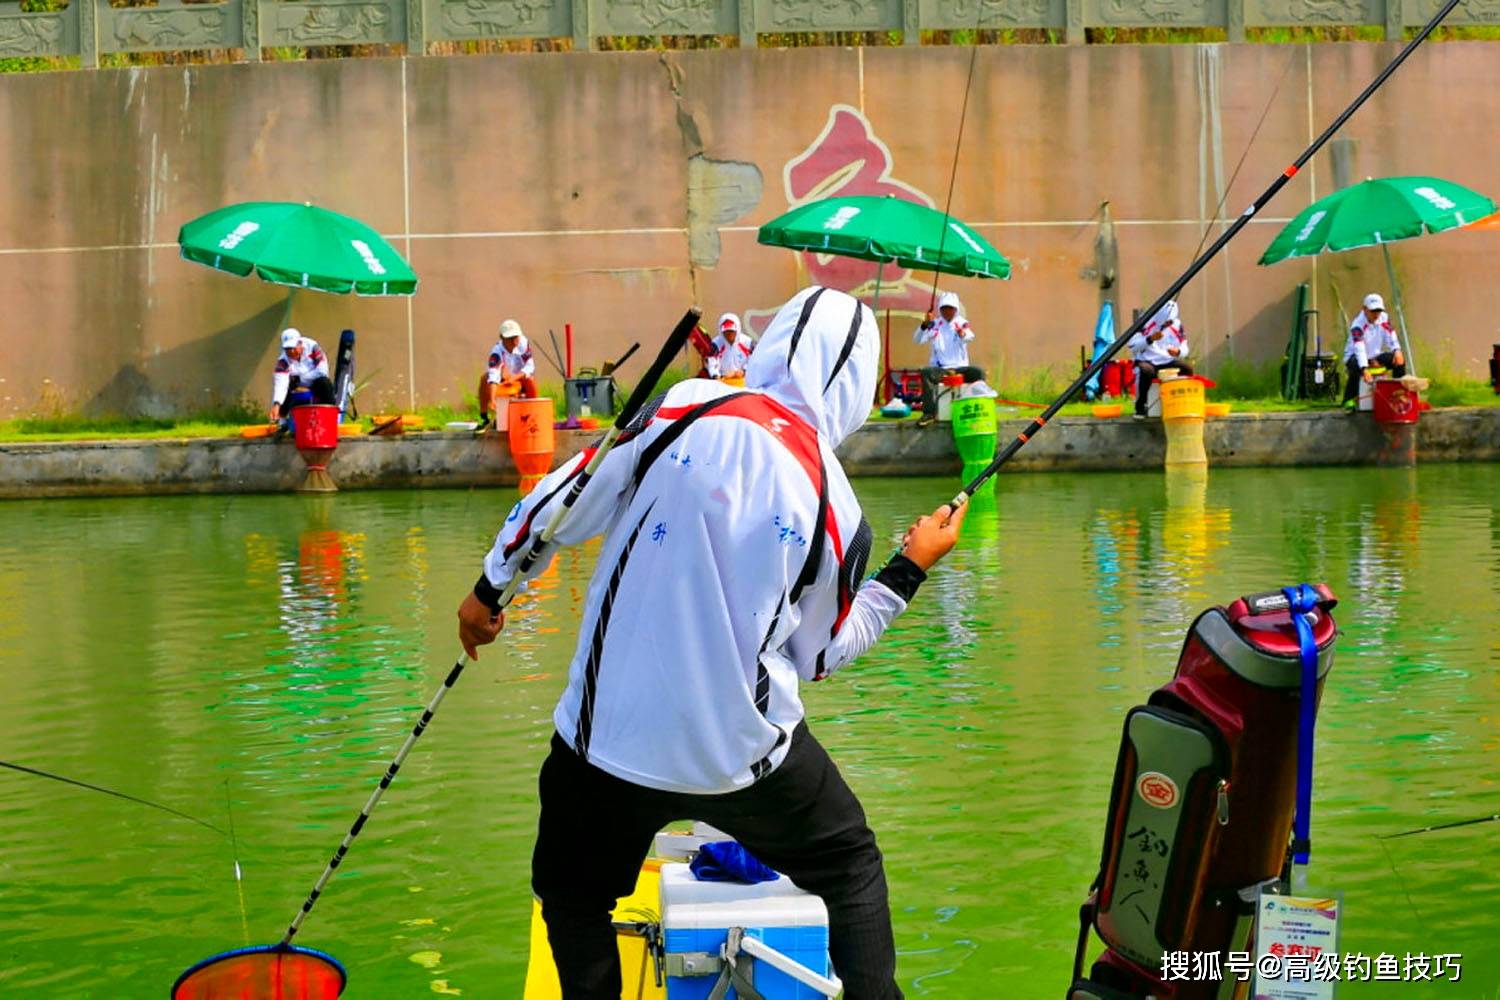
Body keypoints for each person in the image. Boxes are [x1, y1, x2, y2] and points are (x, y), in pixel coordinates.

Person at [456, 286, 967, 1000]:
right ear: (854, 388)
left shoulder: (682, 404)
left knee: (575, 900)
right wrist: (909, 570)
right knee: (849, 864)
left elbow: (564, 500)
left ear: (771, 344)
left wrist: (491, 589)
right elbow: (820, 657)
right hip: (741, 758)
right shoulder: (839, 507)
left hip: (603, 744)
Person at [913, 291, 984, 422]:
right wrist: (924, 325)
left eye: (950, 308)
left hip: (960, 368)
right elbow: (917, 340)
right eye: (944, 308)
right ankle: (929, 413)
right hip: (941, 369)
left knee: (978, 372)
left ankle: (978, 410)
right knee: (926, 373)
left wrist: (962, 333)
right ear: (940, 309)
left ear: (955, 309)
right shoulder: (934, 325)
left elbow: (969, 337)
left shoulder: (961, 323)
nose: (947, 311)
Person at [1126, 300, 1192, 419]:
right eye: (1166, 322)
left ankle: (1180, 403)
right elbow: (1132, 345)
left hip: (1166, 360)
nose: (1168, 324)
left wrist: (1178, 352)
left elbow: (1184, 346)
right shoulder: (1146, 322)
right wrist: (1150, 339)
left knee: (1186, 369)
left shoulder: (1176, 325)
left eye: (1170, 322)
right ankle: (1140, 407)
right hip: (1147, 360)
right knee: (1146, 371)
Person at [1341, 292, 1406, 409]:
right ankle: (1349, 399)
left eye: (1379, 310)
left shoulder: (1384, 317)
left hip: (1375, 355)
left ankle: (1398, 395)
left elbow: (1390, 335)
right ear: (1365, 309)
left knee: (1399, 361)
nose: (1376, 314)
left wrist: (1397, 350)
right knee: (1356, 366)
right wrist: (1365, 368)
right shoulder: (1357, 325)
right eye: (1373, 311)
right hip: (1354, 356)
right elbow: (1359, 348)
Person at [478, 319, 539, 428]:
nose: (514, 341)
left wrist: (515, 378)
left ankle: (533, 413)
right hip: (503, 379)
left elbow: (530, 366)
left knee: (531, 380)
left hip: (520, 377)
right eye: (510, 338)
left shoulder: (523, 343)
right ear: (502, 338)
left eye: (516, 337)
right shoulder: (497, 352)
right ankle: (485, 416)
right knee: (484, 378)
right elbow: (493, 376)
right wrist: (492, 400)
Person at [269, 328, 334, 423]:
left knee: (325, 382)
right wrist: (276, 404)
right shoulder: (283, 361)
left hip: (315, 382)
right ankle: (282, 421)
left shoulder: (313, 347)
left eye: (293, 347)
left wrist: (301, 379)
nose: (291, 351)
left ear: (300, 343)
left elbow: (322, 371)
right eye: (287, 349)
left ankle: (331, 417)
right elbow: (280, 384)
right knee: (285, 384)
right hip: (295, 385)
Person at [707, 312, 754, 380]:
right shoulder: (715, 344)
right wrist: (718, 376)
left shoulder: (748, 342)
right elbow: (712, 364)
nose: (729, 334)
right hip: (723, 380)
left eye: (732, 331)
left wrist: (744, 371)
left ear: (737, 329)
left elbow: (754, 359)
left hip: (744, 379)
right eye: (726, 331)